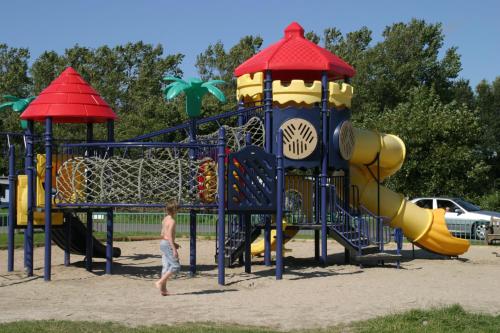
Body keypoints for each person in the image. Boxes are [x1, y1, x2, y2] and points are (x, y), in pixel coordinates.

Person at [155, 200, 181, 296]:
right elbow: (169, 235)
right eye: (177, 209)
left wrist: (173, 243)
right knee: (176, 266)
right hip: (167, 244)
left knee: (166, 266)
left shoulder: (165, 219)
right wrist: (173, 248)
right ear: (174, 210)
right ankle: (160, 282)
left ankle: (163, 290)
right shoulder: (172, 221)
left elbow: (162, 234)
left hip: (163, 243)